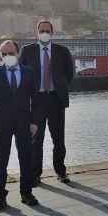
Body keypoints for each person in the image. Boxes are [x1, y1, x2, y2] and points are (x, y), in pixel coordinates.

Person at [0, 40, 39, 211]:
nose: (8, 56)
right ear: (1, 55)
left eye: (11, 53)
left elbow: (35, 99)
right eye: (4, 54)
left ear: (17, 53)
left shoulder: (29, 72)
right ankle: (0, 197)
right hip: (1, 125)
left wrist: (35, 122)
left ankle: (26, 193)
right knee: (0, 161)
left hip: (24, 123)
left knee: (26, 159)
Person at [20, 21, 75, 185]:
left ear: (52, 32)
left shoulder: (62, 51)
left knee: (59, 139)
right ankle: (35, 174)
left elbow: (69, 74)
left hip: (56, 99)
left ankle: (61, 172)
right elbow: (21, 74)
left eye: (47, 30)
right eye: (41, 30)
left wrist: (60, 88)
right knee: (36, 139)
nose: (44, 32)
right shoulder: (27, 51)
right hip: (36, 101)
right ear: (36, 32)